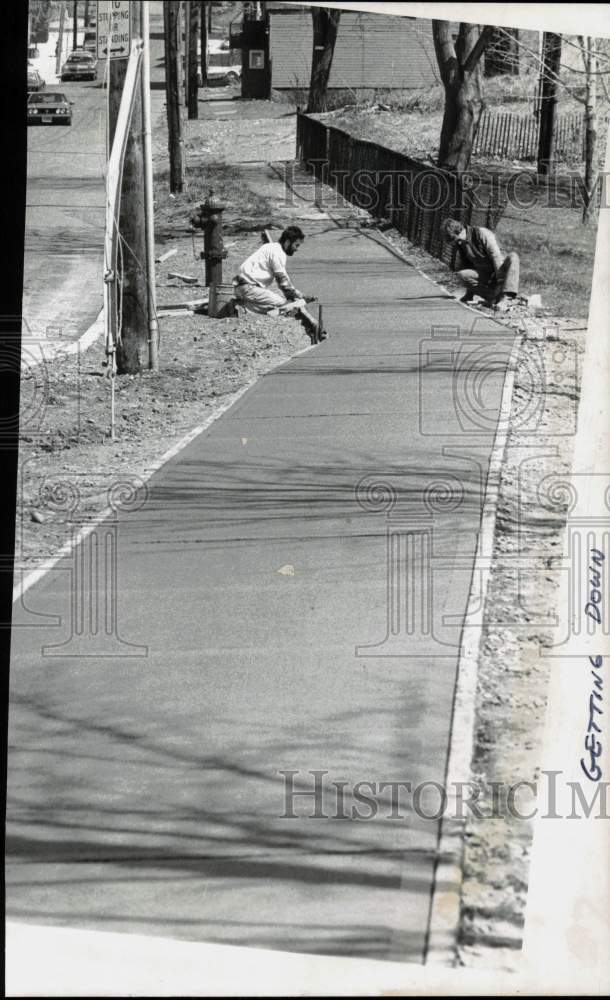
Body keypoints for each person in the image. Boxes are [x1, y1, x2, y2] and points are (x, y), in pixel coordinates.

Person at [233, 226, 328, 343]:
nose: (296, 249)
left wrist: (297, 295)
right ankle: (242, 309)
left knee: (278, 304)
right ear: (288, 242)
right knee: (283, 306)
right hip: (248, 287)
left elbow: (285, 281)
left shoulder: (270, 247)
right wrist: (301, 297)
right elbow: (283, 283)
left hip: (241, 287)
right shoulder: (278, 253)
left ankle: (241, 307)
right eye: (296, 245)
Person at [441, 218, 520, 313]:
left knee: (513, 257)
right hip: (487, 274)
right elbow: (467, 266)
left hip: (501, 270)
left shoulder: (482, 233)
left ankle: (507, 297)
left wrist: (500, 281)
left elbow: (496, 256)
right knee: (462, 275)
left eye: (453, 239)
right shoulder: (461, 243)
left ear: (458, 232)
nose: (454, 242)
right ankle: (493, 297)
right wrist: (469, 293)